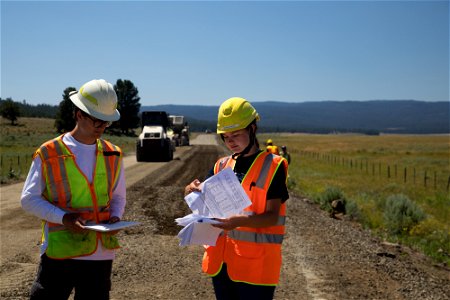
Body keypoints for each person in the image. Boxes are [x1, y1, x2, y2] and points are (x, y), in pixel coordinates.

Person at [21, 79, 126, 300]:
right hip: (61, 253)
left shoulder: (113, 153)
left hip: (100, 255)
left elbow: (118, 197)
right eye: (97, 121)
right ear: (79, 114)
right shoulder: (49, 152)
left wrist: (116, 217)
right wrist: (64, 218)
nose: (102, 128)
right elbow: (29, 199)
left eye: (106, 122)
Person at [185, 97, 289, 300]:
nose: (230, 141)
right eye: (225, 136)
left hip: (257, 269)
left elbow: (271, 217)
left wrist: (238, 222)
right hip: (222, 265)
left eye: (236, 134)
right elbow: (200, 197)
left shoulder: (273, 165)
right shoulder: (221, 165)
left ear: (253, 128)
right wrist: (189, 189)